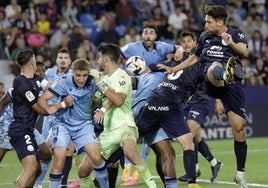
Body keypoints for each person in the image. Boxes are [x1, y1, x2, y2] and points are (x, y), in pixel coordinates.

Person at [158, 5, 249, 188]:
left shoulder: (236, 34)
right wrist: (174, 68)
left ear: (220, 22)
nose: (205, 24)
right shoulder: (204, 37)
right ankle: (222, 73)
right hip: (211, 81)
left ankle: (240, 173)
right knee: (214, 66)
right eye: (205, 20)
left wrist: (230, 43)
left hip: (233, 85)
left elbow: (244, 51)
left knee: (239, 129)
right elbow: (194, 58)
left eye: (208, 21)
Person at [85, 43, 157, 188]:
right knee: (83, 169)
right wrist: (90, 91)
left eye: (99, 57)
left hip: (125, 126)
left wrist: (100, 84)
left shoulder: (122, 75)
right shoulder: (103, 78)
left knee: (130, 153)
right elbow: (98, 101)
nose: (97, 61)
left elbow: (118, 100)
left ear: (106, 59)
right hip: (108, 131)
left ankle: (153, 185)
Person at [120, 22, 183, 186]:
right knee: (116, 151)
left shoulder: (162, 49)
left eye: (151, 33)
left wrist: (179, 53)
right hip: (137, 100)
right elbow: (114, 54)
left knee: (165, 151)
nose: (148, 36)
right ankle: (100, 173)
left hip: (155, 103)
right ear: (142, 35)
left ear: (155, 36)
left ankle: (169, 185)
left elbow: (178, 48)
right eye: (145, 33)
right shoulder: (132, 49)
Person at [37, 58, 109, 188]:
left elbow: (114, 96)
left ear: (88, 73)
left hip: (84, 125)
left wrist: (102, 109)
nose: (81, 79)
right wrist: (51, 108)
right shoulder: (64, 82)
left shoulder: (95, 81)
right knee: (59, 161)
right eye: (78, 75)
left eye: (84, 75)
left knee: (97, 159)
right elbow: (42, 99)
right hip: (62, 124)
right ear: (73, 72)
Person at [7, 48, 70, 188]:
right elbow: (40, 109)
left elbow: (50, 85)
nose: (36, 61)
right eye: (35, 59)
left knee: (38, 168)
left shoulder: (36, 79)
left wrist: (68, 85)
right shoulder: (21, 83)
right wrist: (62, 105)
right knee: (31, 169)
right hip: (20, 129)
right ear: (31, 62)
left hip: (29, 129)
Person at [176, 31, 222, 182]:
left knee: (187, 134)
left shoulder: (202, 59)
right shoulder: (182, 60)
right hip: (187, 102)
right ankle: (214, 164)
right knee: (196, 138)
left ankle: (193, 171)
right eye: (184, 42)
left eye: (189, 41)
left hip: (202, 100)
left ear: (195, 42)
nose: (187, 44)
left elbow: (213, 80)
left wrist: (218, 100)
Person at [34, 48, 75, 188]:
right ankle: (38, 183)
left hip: (64, 118)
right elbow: (42, 86)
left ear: (70, 61)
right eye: (60, 57)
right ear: (56, 60)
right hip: (48, 117)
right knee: (45, 152)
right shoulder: (50, 73)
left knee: (65, 151)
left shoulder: (73, 75)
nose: (63, 60)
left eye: (65, 57)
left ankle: (61, 183)